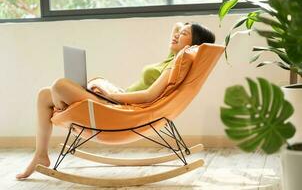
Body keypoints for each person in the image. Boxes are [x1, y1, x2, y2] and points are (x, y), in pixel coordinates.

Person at [16, 22, 215, 179]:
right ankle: (40, 154)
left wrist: (112, 97)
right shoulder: (172, 57)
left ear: (192, 44)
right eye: (179, 32)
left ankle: (65, 110)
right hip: (117, 103)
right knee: (44, 94)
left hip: (121, 109)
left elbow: (149, 96)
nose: (176, 34)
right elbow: (178, 24)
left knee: (59, 85)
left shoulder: (177, 62)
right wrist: (186, 31)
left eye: (183, 34)